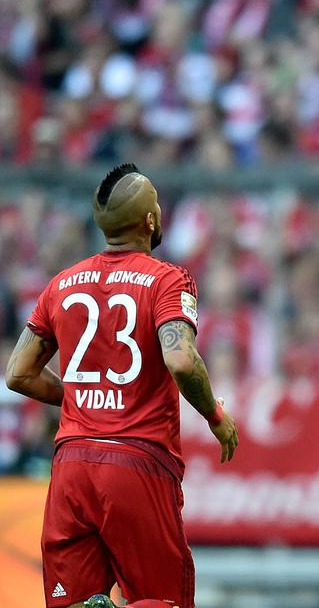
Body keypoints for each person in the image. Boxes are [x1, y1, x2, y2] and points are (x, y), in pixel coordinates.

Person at [4, 163, 239, 608]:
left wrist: (77, 397)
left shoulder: (61, 284)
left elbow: (19, 372)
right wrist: (216, 415)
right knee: (161, 600)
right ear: (151, 220)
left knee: (70, 600)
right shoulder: (168, 279)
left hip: (71, 466)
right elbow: (182, 361)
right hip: (137, 463)